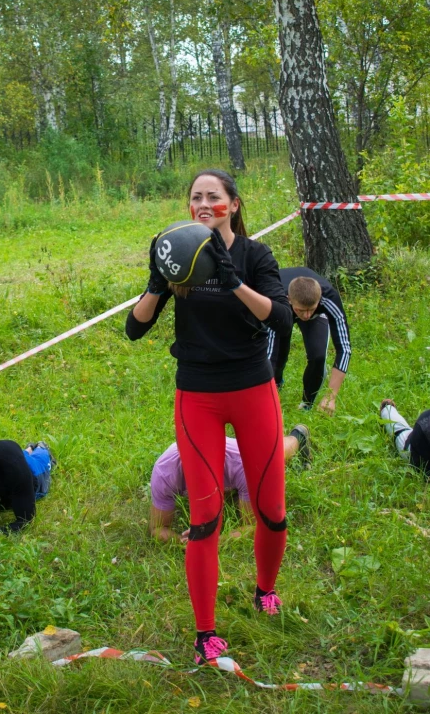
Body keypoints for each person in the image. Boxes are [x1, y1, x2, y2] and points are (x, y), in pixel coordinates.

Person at [125, 169, 293, 665]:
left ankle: (265, 589)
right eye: (195, 196)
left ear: (233, 205)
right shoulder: (176, 252)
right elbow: (134, 330)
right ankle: (205, 633)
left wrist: (233, 279)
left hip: (252, 389)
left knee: (271, 510)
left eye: (213, 197)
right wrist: (158, 282)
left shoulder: (254, 255)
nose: (203, 203)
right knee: (205, 519)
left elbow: (280, 320)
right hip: (197, 394)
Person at [149, 426, 310, 543]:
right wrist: (183, 541)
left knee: (276, 454)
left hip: (244, 461)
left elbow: (254, 526)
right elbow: (157, 528)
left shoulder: (243, 464)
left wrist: (216, 541)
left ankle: (298, 436)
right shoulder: (165, 472)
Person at [268, 267, 351, 414]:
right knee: (278, 356)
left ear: (319, 300)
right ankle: (276, 383)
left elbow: (344, 348)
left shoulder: (329, 298)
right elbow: (268, 355)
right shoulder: (275, 297)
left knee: (318, 356)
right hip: (283, 310)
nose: (306, 315)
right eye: (301, 310)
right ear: (290, 299)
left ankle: (307, 404)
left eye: (311, 309)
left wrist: (331, 396)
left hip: (314, 313)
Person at [380, 399, 430, 478]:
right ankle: (387, 408)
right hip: (411, 449)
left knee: (401, 428)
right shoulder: (425, 420)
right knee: (399, 430)